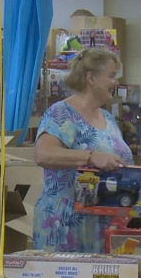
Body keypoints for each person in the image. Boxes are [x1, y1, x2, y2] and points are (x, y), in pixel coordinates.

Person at [33, 48, 134, 253]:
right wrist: (91, 157)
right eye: (112, 76)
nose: (116, 83)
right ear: (91, 78)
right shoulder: (61, 114)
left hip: (102, 222)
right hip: (67, 224)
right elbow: (43, 154)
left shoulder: (108, 118)